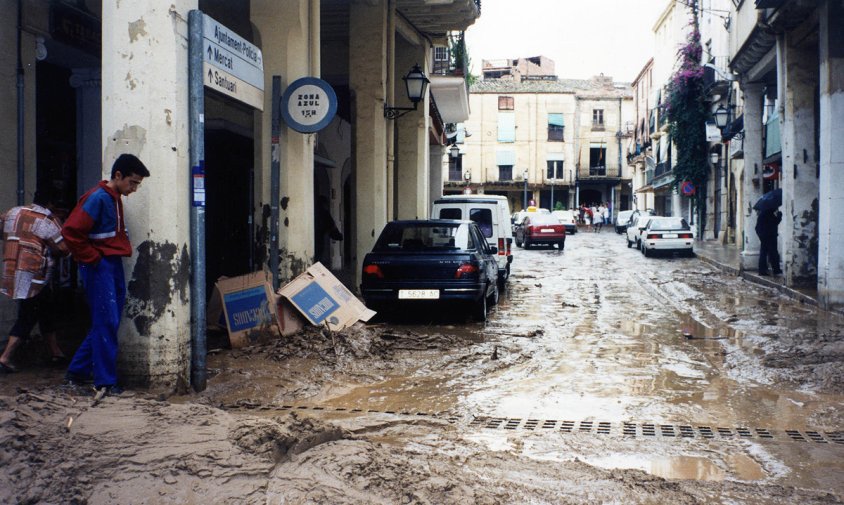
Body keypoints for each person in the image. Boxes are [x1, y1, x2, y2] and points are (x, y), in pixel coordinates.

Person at [62, 154, 150, 395]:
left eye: (137, 184)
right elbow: (70, 232)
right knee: (107, 322)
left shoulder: (113, 197)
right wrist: (93, 259)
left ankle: (77, 372)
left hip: (109, 264)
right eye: (132, 182)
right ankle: (105, 382)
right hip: (99, 265)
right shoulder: (99, 198)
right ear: (118, 176)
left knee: (106, 321)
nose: (134, 189)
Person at [0, 188, 71, 373]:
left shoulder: (12, 212)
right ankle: (5, 357)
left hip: (12, 271)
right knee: (29, 314)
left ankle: (56, 353)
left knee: (45, 310)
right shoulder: (48, 220)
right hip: (34, 275)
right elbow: (63, 249)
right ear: (51, 204)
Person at [755, 207, 782, 276]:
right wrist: (779, 216)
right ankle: (776, 270)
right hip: (770, 236)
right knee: (773, 253)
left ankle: (762, 270)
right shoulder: (768, 214)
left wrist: (761, 236)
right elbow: (774, 223)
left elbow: (757, 228)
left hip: (764, 236)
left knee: (764, 253)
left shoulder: (762, 214)